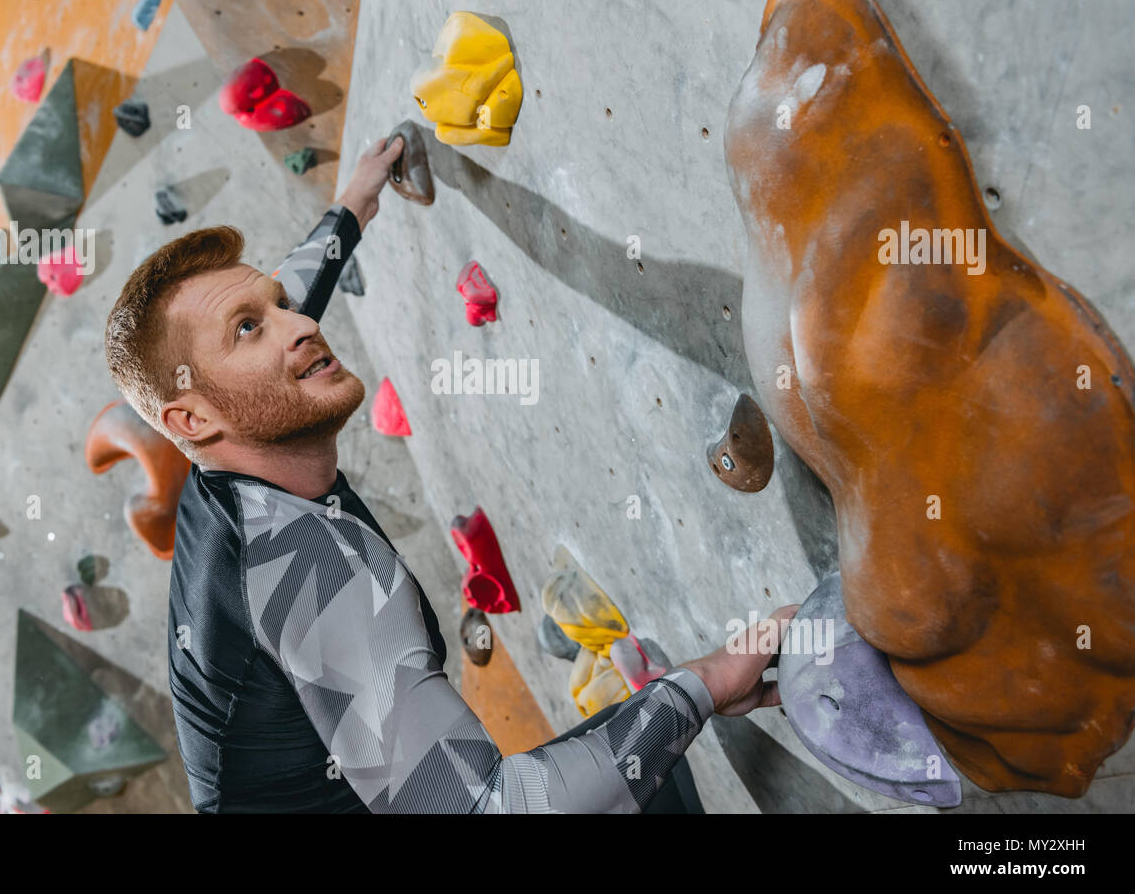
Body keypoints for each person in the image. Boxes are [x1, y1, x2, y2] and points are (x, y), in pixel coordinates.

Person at [105, 134, 796, 812]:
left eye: (277, 305)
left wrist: (353, 206)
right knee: (654, 742)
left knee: (649, 759)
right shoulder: (306, 569)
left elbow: (287, 299)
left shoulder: (225, 448)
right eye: (250, 327)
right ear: (190, 419)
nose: (297, 326)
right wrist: (707, 680)